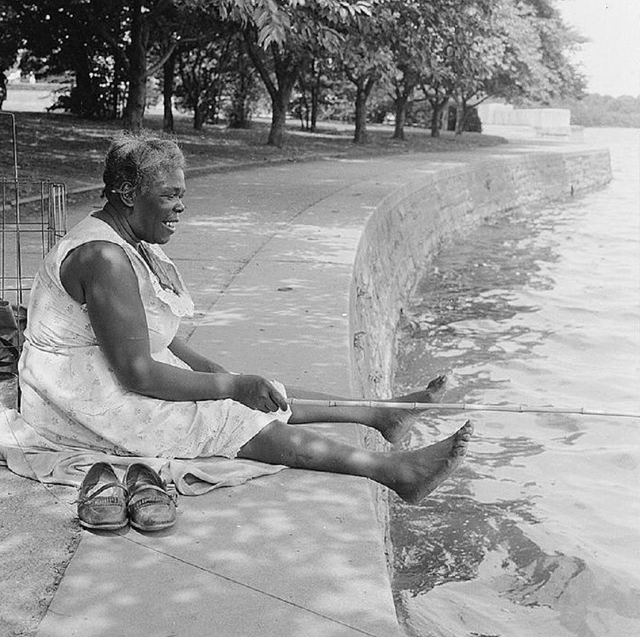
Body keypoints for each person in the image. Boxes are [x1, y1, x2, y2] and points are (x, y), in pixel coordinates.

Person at [17, 132, 472, 506]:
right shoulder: (104, 256)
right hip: (73, 398)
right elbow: (137, 373)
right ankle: (395, 472)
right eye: (169, 195)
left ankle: (381, 415)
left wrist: (209, 367)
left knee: (245, 388)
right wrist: (231, 387)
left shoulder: (130, 240)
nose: (181, 207)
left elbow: (150, 327)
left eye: (183, 194)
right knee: (231, 412)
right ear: (127, 194)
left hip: (100, 372)